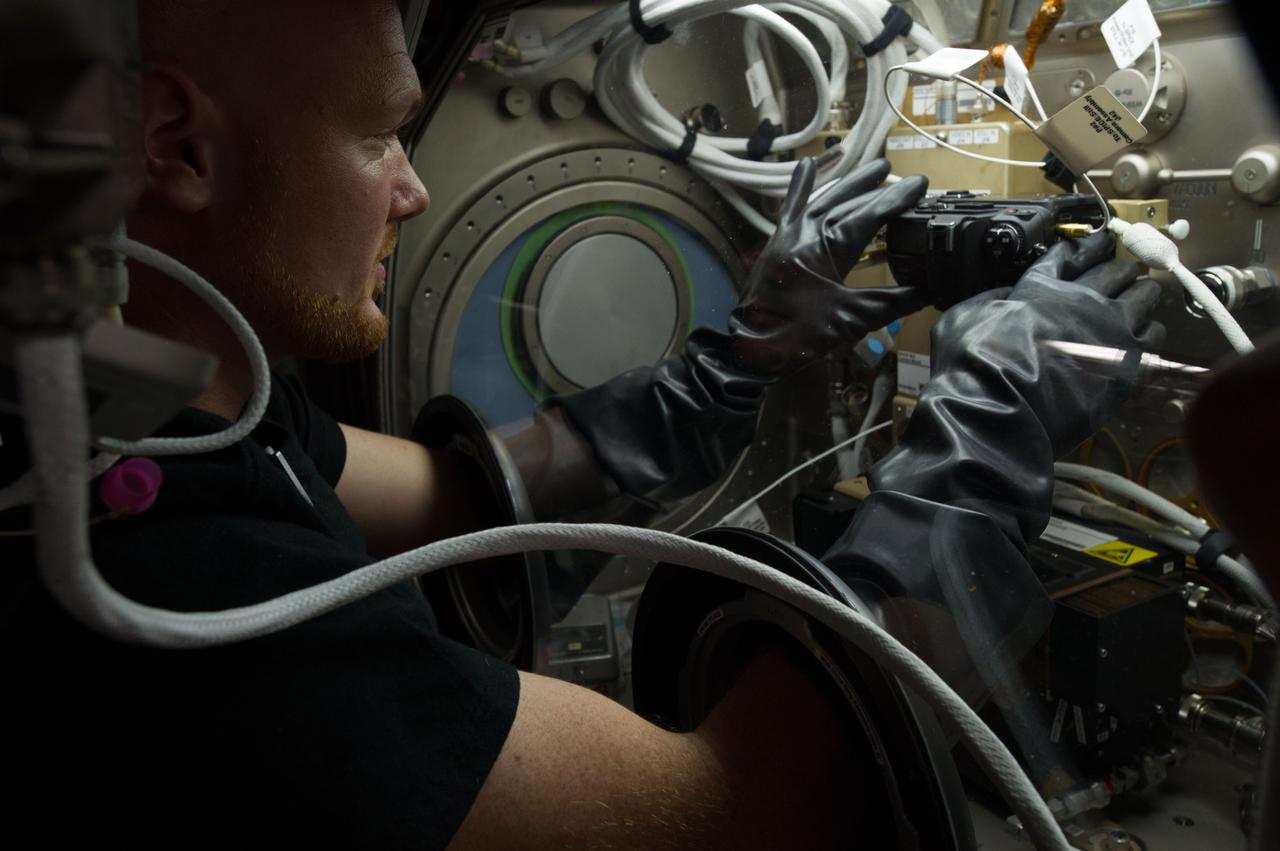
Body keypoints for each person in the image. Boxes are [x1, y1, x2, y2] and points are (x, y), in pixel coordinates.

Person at [0, 1, 1163, 848]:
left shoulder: (124, 387)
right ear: (172, 144)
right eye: (375, 134)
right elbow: (742, 814)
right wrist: (978, 447)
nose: (408, 190)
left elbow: (455, 507)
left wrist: (727, 370)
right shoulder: (157, 588)